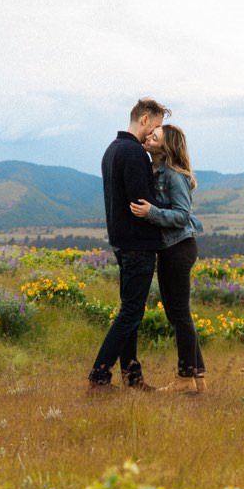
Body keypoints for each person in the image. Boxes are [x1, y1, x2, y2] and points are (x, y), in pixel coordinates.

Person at [88, 97, 169, 390]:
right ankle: (99, 373)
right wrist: (169, 207)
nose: (156, 133)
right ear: (144, 119)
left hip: (122, 242)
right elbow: (142, 201)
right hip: (138, 243)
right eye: (157, 126)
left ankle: (132, 376)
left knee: (130, 310)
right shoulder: (135, 154)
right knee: (131, 312)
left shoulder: (112, 150)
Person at [131, 123, 206, 392]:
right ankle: (198, 378)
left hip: (179, 247)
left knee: (179, 313)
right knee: (178, 314)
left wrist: (151, 212)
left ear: (167, 146)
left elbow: (182, 215)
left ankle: (185, 378)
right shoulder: (156, 170)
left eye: (156, 136)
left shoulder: (173, 175)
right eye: (150, 133)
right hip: (172, 248)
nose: (149, 136)